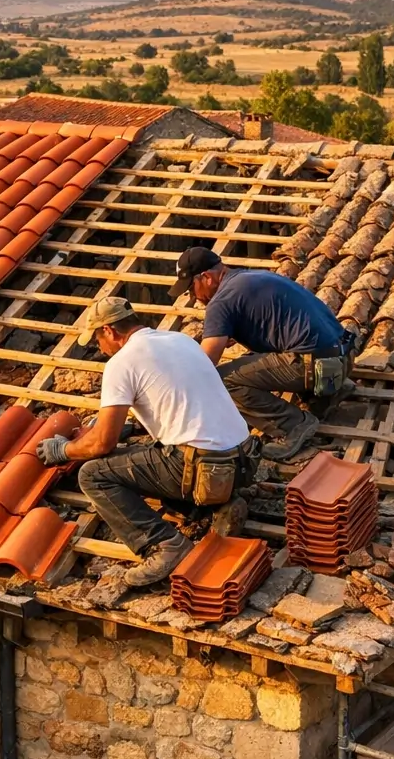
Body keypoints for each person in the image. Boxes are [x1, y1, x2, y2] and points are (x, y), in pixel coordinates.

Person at [36, 296, 252, 587]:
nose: (100, 349)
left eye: (98, 340)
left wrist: (64, 450)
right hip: (242, 461)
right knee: (151, 454)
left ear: (110, 331)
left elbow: (102, 445)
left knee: (94, 474)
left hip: (203, 467)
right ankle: (212, 507)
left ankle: (164, 545)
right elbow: (173, 399)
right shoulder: (181, 340)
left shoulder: (121, 363)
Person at [168, 247, 355, 461]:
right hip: (344, 359)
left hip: (318, 365)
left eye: (192, 289)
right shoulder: (251, 276)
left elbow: (205, 365)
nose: (193, 298)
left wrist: (175, 391)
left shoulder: (221, 301)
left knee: (220, 380)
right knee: (252, 358)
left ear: (206, 278)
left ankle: (293, 426)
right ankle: (328, 394)